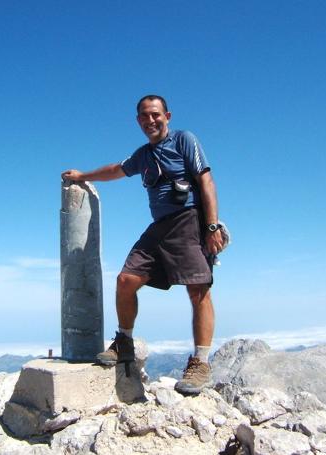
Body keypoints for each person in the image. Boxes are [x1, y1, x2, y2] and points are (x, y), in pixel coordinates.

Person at [61, 95, 224, 394]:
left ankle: (201, 363)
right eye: (144, 117)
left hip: (188, 220)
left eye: (155, 114)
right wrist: (83, 176)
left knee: (198, 289)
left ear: (168, 115)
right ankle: (124, 341)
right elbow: (115, 170)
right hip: (159, 228)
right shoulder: (143, 155)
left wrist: (212, 226)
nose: (150, 121)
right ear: (138, 121)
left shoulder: (185, 140)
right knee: (126, 280)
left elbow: (206, 182)